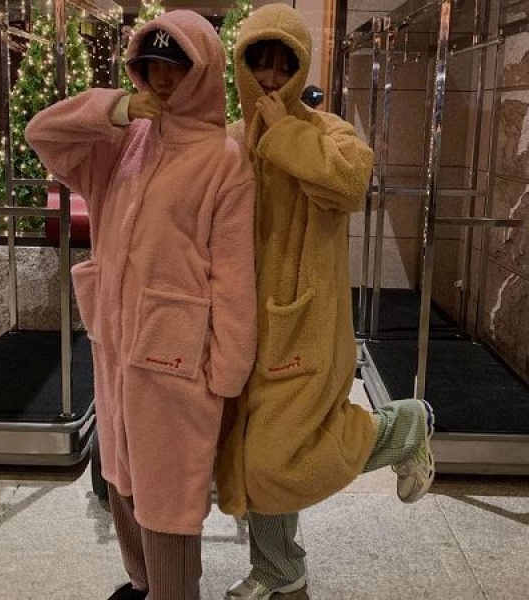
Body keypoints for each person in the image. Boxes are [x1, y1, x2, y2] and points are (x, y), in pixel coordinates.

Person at [26, 10, 257, 600]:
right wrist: (116, 108)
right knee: (120, 474)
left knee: (168, 491)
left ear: (201, 72)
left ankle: (173, 592)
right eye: (151, 66)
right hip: (115, 340)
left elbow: (233, 276)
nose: (161, 78)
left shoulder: (223, 159)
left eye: (175, 67)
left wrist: (227, 372)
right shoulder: (122, 143)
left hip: (177, 355)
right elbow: (43, 133)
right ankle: (141, 583)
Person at [215, 5, 436, 599]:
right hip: (240, 326)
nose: (269, 78)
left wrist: (283, 133)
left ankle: (401, 426)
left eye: (281, 66)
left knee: (272, 459)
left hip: (307, 326)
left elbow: (349, 182)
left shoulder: (327, 130)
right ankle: (279, 569)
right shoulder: (229, 140)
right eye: (258, 64)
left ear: (300, 69)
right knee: (249, 451)